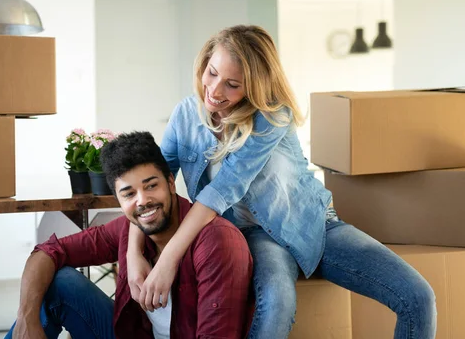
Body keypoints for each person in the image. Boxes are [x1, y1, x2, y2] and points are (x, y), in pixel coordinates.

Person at [126, 25, 437, 339]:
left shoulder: (273, 115)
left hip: (312, 223)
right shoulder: (184, 116)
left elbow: (222, 190)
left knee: (418, 297)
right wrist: (133, 254)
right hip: (251, 235)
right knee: (277, 303)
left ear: (254, 87)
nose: (216, 91)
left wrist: (168, 259)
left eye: (232, 85)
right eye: (212, 73)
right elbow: (153, 183)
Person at [6, 131, 254, 339]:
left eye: (151, 186)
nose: (143, 201)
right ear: (118, 200)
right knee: (60, 283)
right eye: (129, 194)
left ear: (170, 183)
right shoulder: (128, 230)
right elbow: (47, 253)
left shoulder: (216, 241)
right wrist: (26, 318)